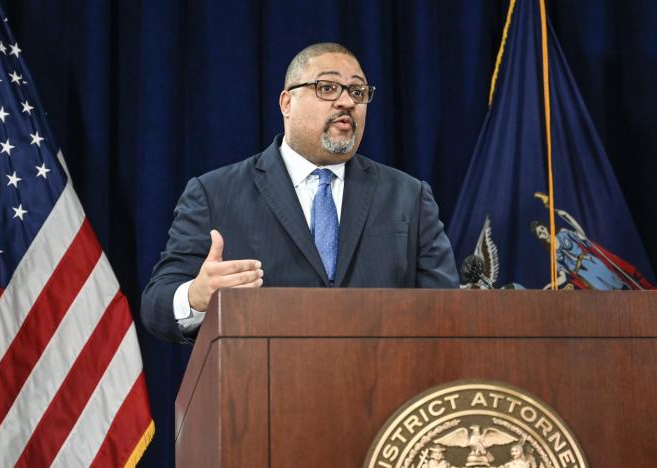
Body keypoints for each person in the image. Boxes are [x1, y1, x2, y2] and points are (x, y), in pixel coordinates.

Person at [141, 42, 458, 343]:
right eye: (328, 88)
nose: (347, 102)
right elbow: (156, 305)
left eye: (358, 92)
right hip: (263, 388)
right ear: (286, 103)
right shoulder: (214, 193)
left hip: (389, 389)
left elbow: (448, 312)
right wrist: (196, 296)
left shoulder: (409, 196)